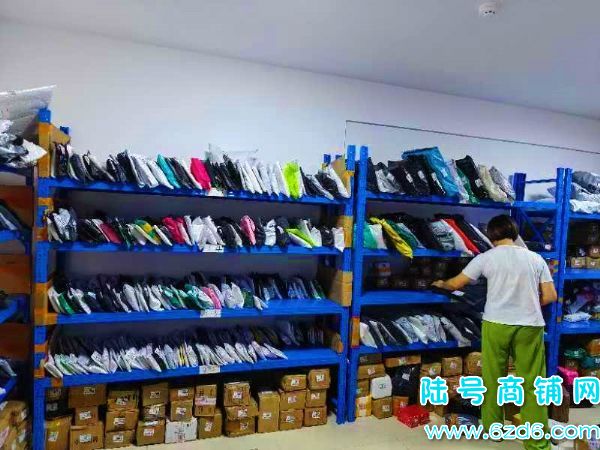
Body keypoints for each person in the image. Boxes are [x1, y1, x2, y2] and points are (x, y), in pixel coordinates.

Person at [433, 214, 557, 450]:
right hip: (530, 326)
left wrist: (441, 283)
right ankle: (537, 443)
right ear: (514, 233)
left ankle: (494, 430)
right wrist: (528, 304)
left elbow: (456, 284)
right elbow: (550, 296)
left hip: (496, 324)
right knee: (533, 384)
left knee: (493, 379)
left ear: (491, 236)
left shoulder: (485, 258)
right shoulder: (536, 258)